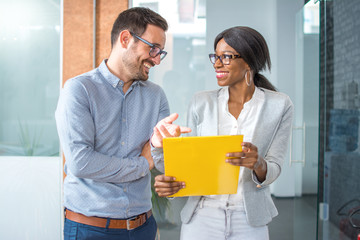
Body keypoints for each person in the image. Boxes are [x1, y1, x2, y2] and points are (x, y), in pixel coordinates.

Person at [55, 7, 190, 240]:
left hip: (143, 226)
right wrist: (142, 162)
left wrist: (161, 148)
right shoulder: (79, 90)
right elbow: (81, 162)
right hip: (90, 229)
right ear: (126, 39)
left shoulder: (156, 96)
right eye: (153, 49)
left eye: (161, 52)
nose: (157, 59)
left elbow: (163, 163)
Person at [151, 26, 294, 240]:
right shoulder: (201, 102)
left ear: (249, 61)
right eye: (215, 57)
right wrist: (161, 148)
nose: (217, 64)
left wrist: (258, 163)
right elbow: (189, 168)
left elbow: (275, 167)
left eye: (226, 57)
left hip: (250, 219)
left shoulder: (279, 105)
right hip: (202, 216)